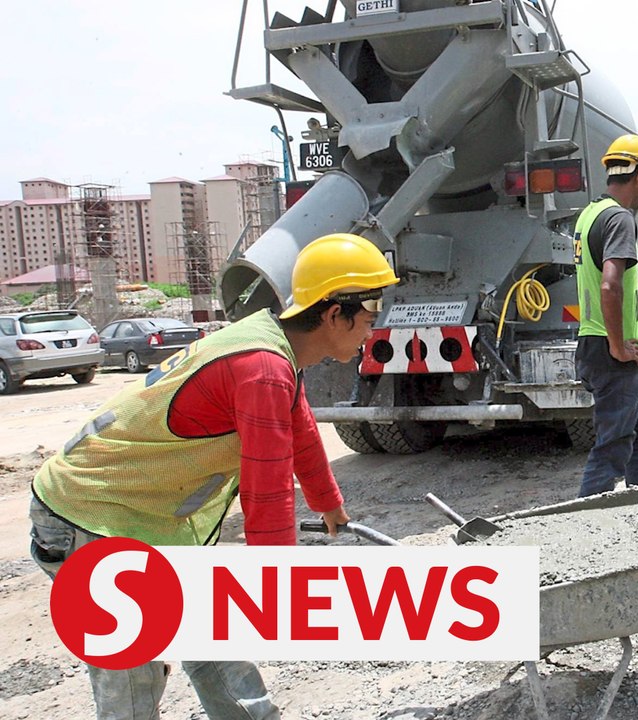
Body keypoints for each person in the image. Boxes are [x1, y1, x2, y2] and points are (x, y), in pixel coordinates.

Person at [28, 232, 399, 720]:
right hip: (90, 516)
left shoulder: (274, 348)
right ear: (334, 315)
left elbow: (300, 427)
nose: (371, 333)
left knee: (211, 636)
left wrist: (328, 503)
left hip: (142, 517)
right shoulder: (263, 367)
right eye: (368, 320)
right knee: (132, 666)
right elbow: (265, 492)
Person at [573, 133, 638, 497]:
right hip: (612, 350)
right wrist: (618, 346)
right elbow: (611, 286)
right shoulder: (619, 219)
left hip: (592, 345)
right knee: (613, 446)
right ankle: (586, 523)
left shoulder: (589, 214)